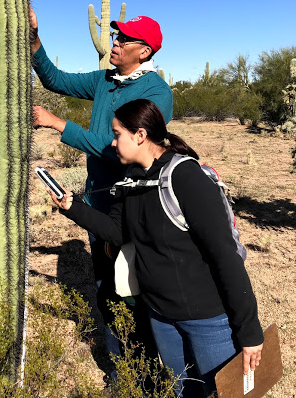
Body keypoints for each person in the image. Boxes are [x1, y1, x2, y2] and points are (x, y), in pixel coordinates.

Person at [47, 98, 264, 398]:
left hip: (207, 319)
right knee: (183, 391)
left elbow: (225, 256)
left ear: (140, 135)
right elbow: (117, 232)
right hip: (161, 315)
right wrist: (73, 207)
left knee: (227, 393)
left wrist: (249, 331)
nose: (112, 143)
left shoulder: (185, 177)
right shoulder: (132, 180)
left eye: (116, 134)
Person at [30, 8, 173, 373]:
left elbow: (120, 151)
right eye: (115, 36)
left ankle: (143, 370)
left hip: (131, 206)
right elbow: (56, 79)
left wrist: (58, 123)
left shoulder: (156, 92)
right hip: (96, 201)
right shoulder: (106, 80)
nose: (115, 42)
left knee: (134, 290)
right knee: (106, 287)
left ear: (144, 52)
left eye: (124, 39)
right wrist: (34, 39)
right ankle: (117, 369)